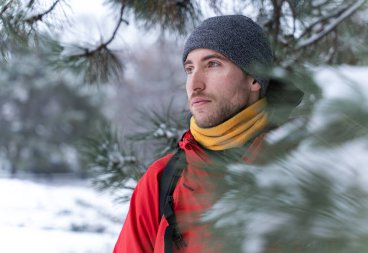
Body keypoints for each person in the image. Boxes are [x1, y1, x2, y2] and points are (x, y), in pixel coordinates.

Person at [113, 14, 301, 253]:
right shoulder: (161, 181)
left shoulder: (306, 166)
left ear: (254, 77)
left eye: (212, 64)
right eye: (189, 69)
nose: (194, 84)